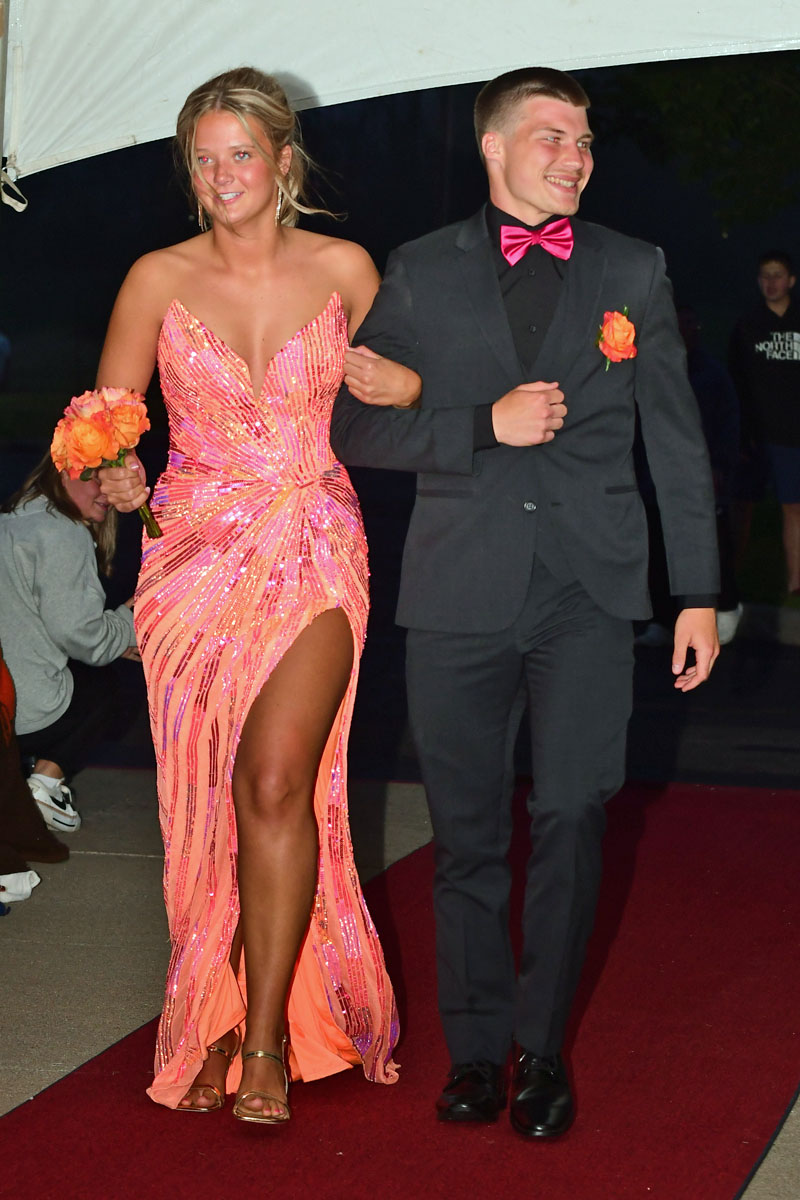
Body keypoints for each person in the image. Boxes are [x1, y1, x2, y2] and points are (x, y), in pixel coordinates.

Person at [331, 66, 719, 1139]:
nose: (574, 155)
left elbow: (675, 446)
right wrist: (474, 426)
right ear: (493, 147)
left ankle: (541, 1052)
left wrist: (696, 593)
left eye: (584, 140)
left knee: (570, 816)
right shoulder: (417, 271)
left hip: (591, 593)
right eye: (550, 135)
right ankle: (471, 1052)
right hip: (457, 592)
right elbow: (354, 431)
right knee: (463, 839)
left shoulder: (630, 269)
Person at [98, 67, 417, 1121]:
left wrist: (406, 384)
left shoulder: (346, 269)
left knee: (277, 780)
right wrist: (106, 478)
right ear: (189, 174)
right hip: (186, 560)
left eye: (242, 152)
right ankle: (211, 1010)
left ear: (283, 161)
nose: (223, 174)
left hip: (316, 542)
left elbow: (421, 377)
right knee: (204, 798)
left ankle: (271, 1040)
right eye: (204, 157)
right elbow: (102, 433)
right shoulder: (155, 276)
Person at [0, 454, 138, 833]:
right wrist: (128, 623)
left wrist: (111, 638)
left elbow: (38, 625)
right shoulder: (61, 531)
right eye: (98, 479)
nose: (107, 493)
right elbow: (82, 635)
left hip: (8, 702)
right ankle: (43, 785)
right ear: (66, 472)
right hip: (22, 717)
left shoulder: (14, 520)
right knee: (116, 682)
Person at [729, 251, 800, 594]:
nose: (771, 282)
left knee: (793, 507)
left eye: (778, 275)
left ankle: (794, 582)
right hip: (756, 433)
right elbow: (736, 379)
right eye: (765, 275)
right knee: (743, 508)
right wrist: (742, 432)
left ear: (791, 280)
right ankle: (731, 581)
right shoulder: (748, 325)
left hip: (792, 433)